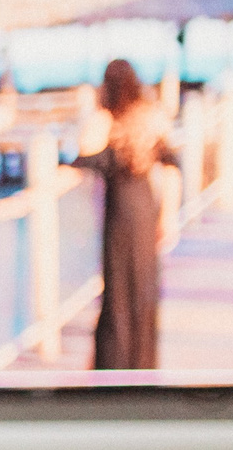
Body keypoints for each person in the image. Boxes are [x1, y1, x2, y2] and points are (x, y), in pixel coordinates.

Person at [73, 58, 181, 371]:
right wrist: (168, 217)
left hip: (119, 214)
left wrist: (96, 113)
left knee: (117, 292)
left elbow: (83, 157)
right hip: (145, 209)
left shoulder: (107, 121)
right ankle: (144, 365)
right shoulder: (151, 118)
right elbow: (172, 168)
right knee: (144, 290)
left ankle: (113, 366)